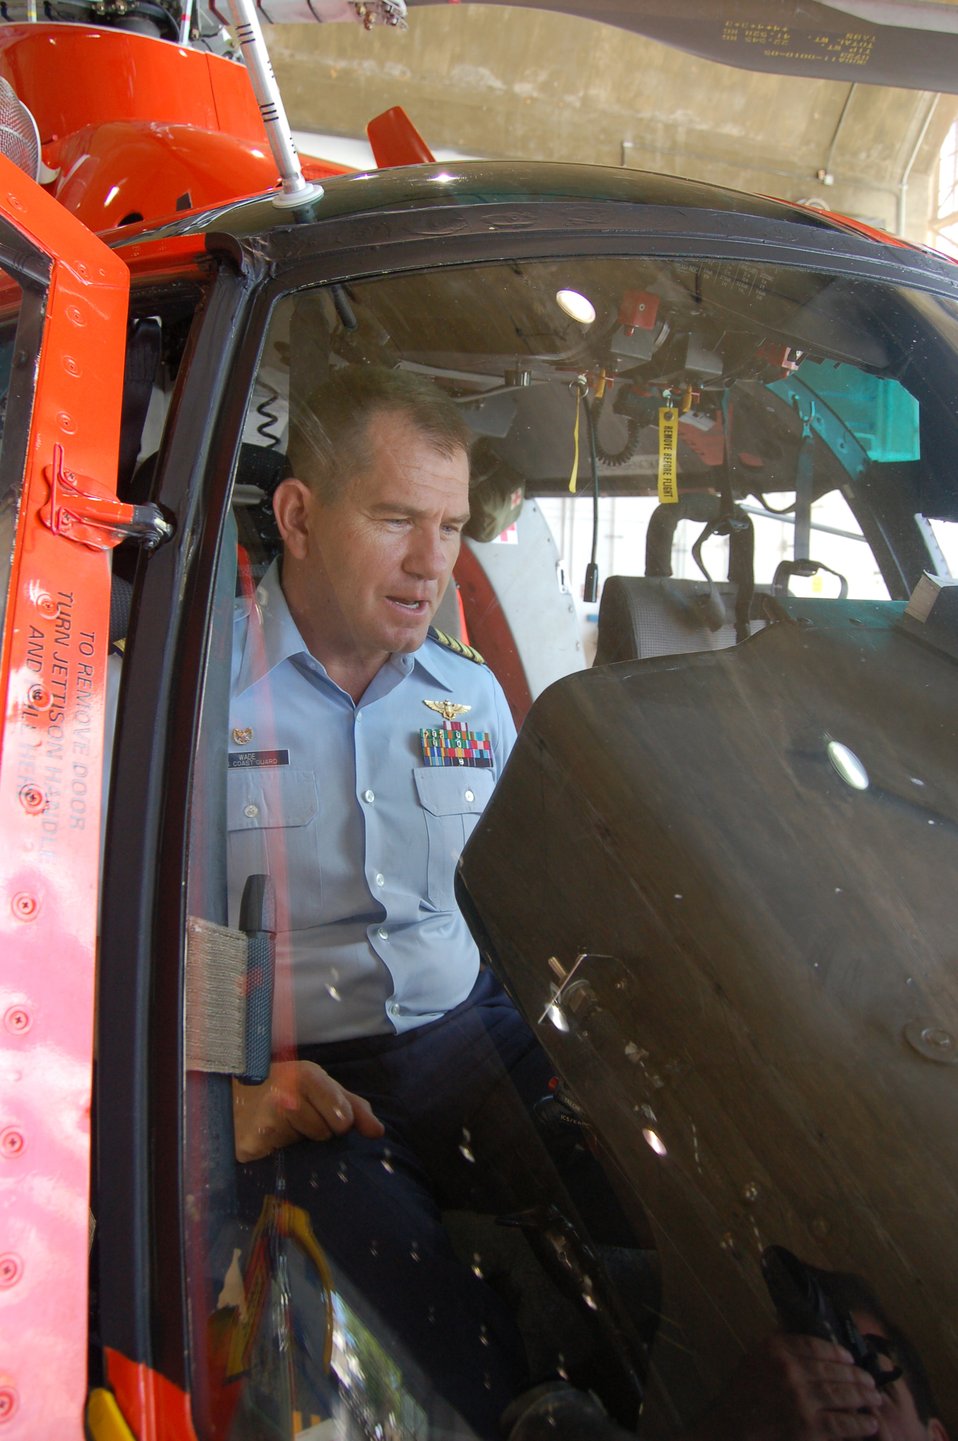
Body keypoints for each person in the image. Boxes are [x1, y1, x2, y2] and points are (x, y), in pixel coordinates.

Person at [225, 366, 633, 1437]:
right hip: (300, 1070)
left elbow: (525, 906)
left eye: (449, 527)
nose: (429, 563)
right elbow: (106, 932)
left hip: (472, 1038)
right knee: (411, 1320)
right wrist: (213, 1093)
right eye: (397, 518)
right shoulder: (179, 692)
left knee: (637, 1236)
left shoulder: (472, 695)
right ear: (300, 516)